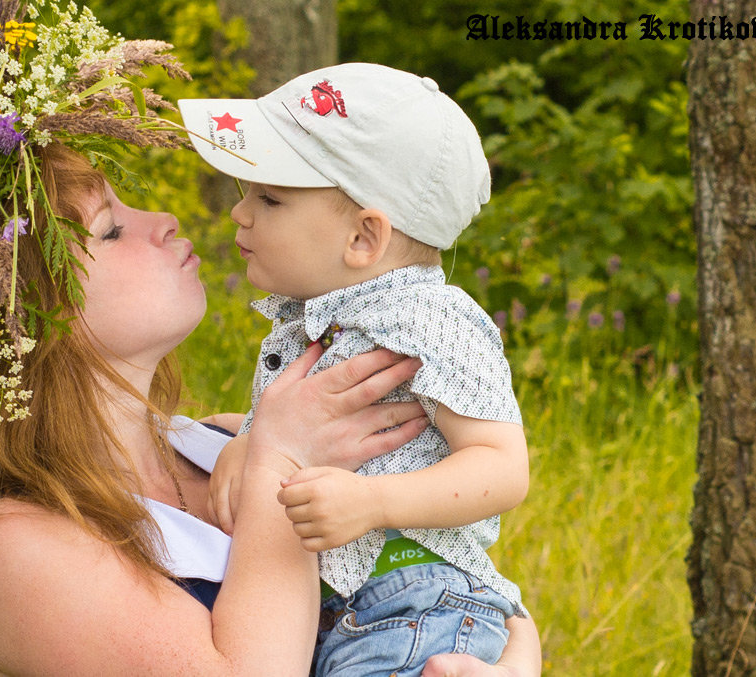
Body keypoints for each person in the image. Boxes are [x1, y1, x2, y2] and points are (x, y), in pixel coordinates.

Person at [0, 3, 541, 674]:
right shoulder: (12, 547)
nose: (161, 218)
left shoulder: (223, 442)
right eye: (111, 228)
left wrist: (515, 655)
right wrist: (280, 457)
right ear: (27, 314)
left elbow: (447, 570)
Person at [179, 62, 531, 673]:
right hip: (337, 613)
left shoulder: (431, 318)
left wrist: (374, 502)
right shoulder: (312, 321)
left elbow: (503, 468)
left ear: (364, 238)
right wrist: (252, 442)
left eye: (269, 199)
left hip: (418, 604)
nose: (240, 214)